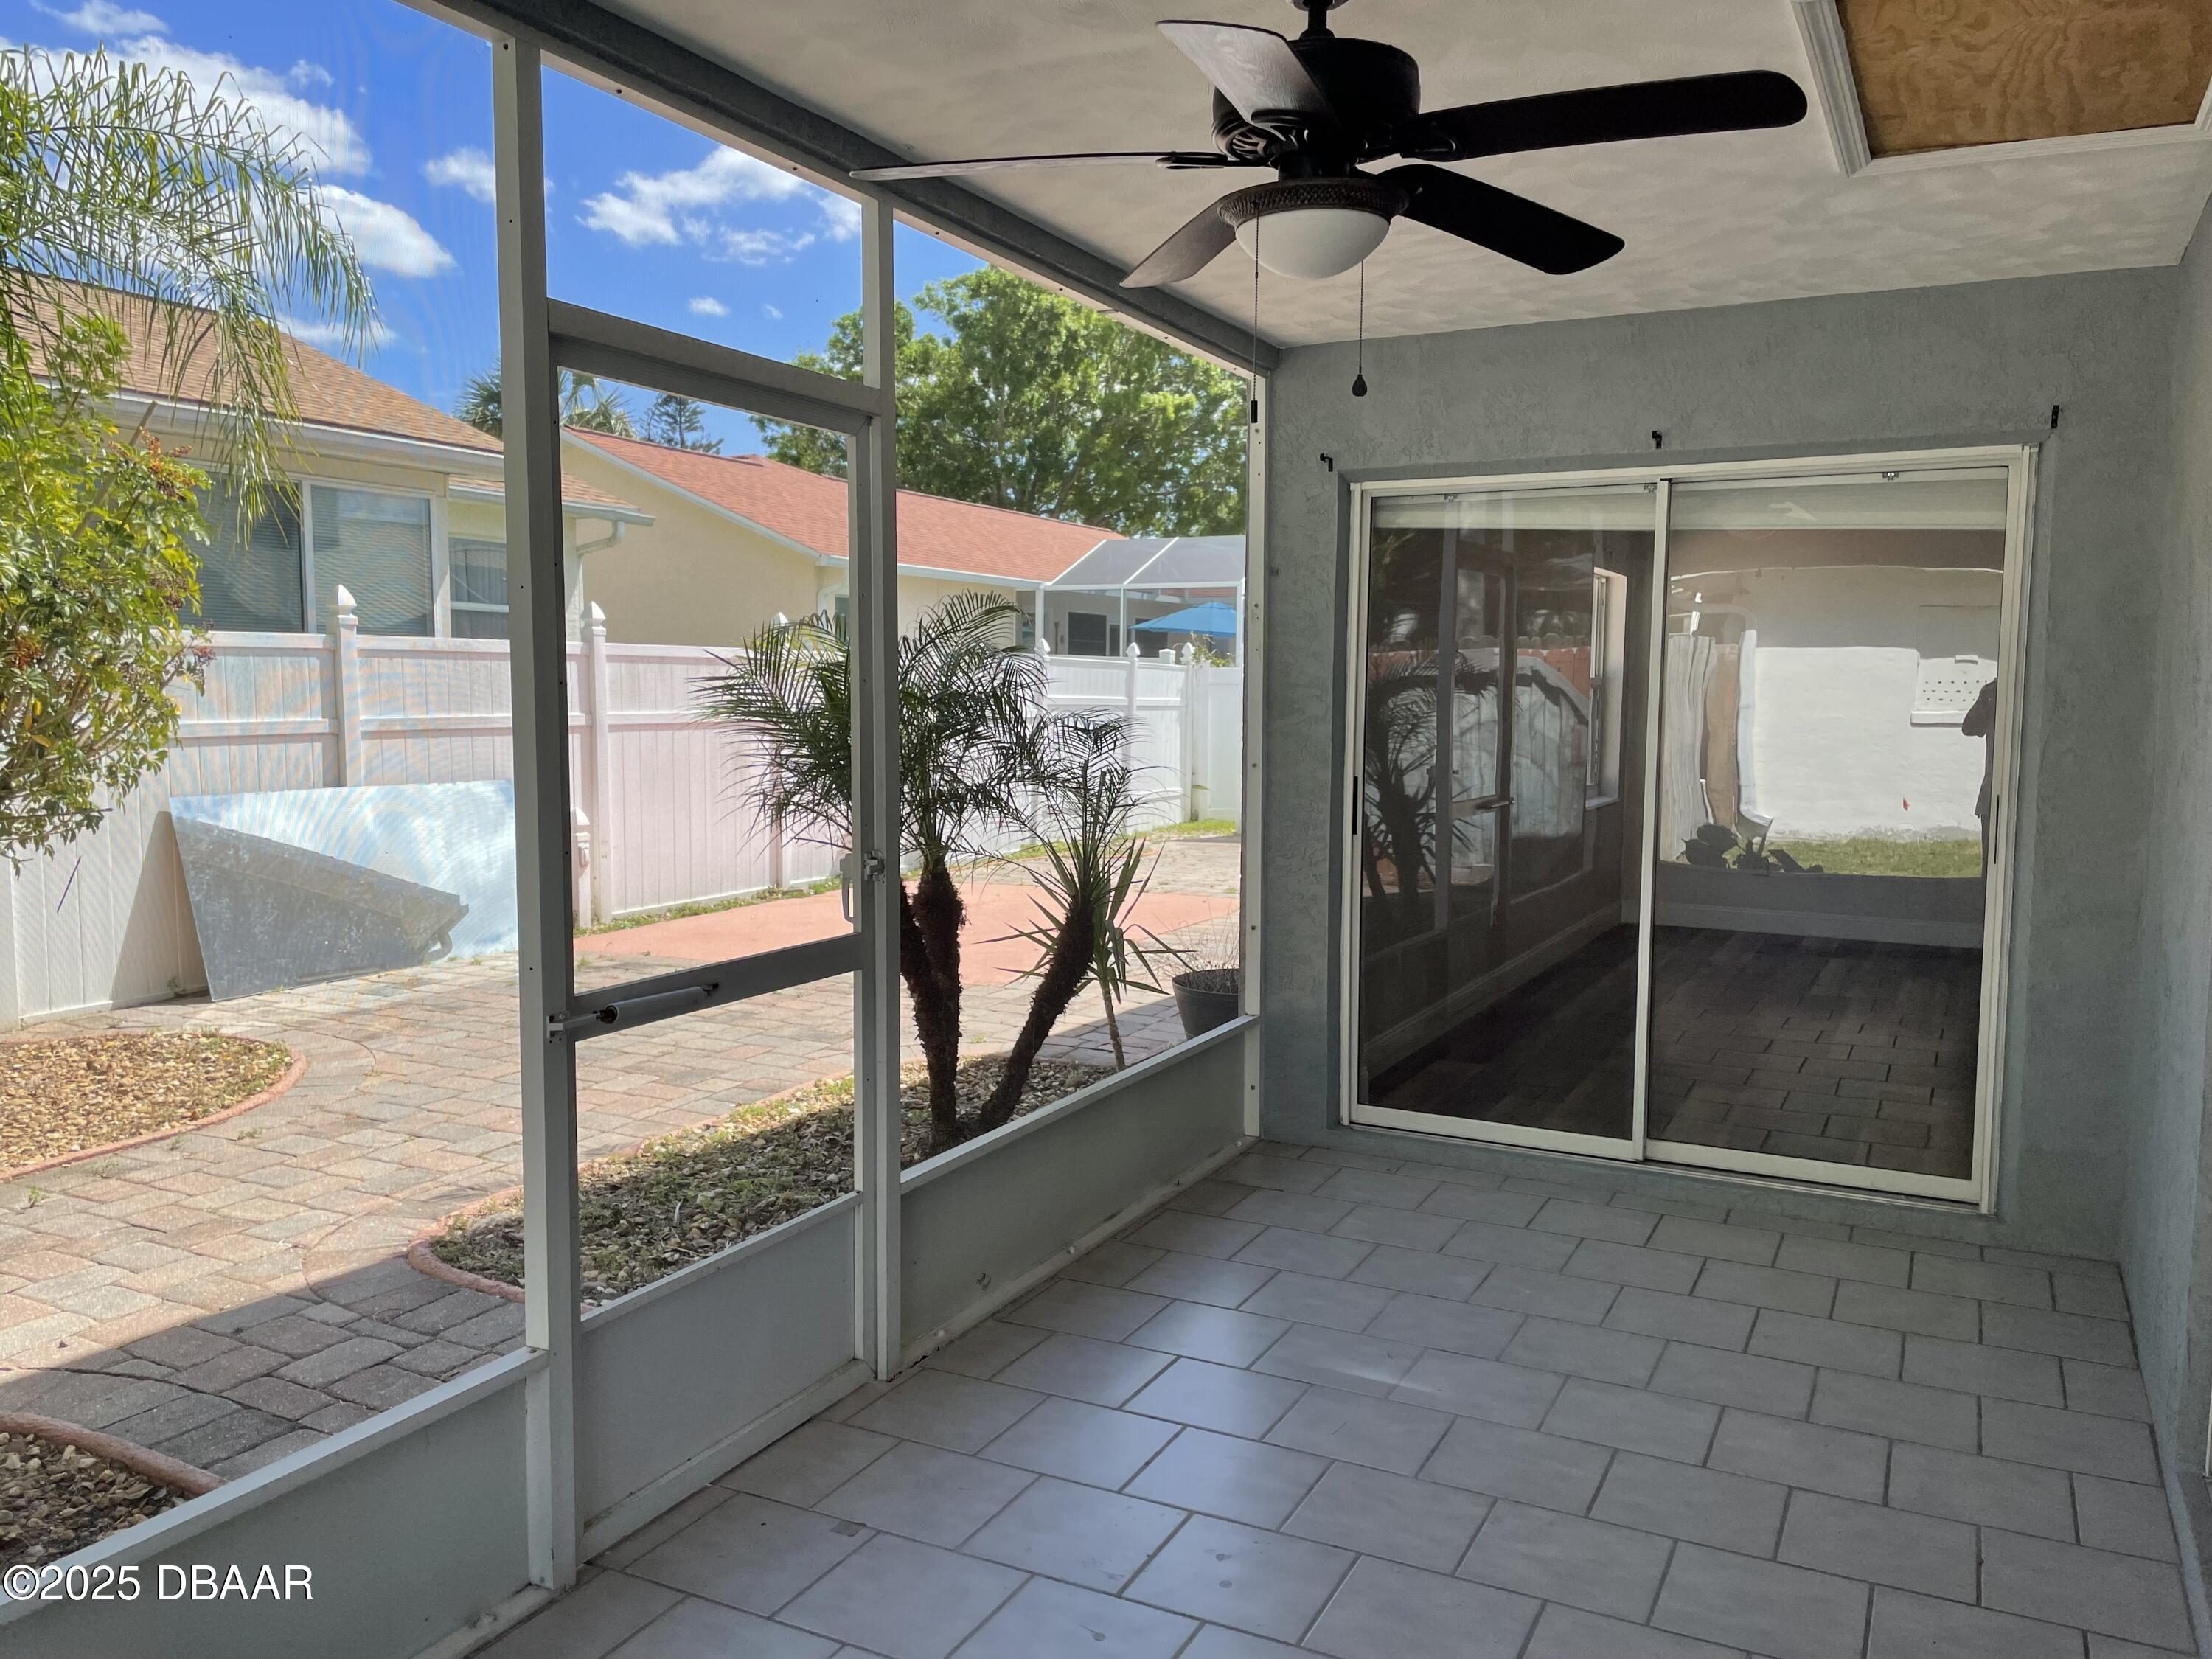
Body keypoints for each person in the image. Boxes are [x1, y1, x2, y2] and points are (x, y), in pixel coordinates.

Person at [1961, 676, 1997, 869]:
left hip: (1996, 790)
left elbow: (1969, 727)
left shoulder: (1994, 692)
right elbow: (1969, 726)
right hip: (1994, 791)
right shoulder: (1994, 693)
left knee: (1992, 865)